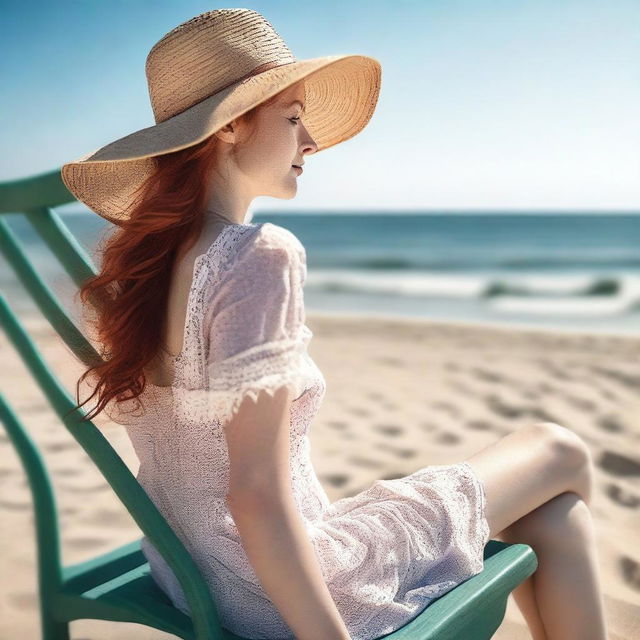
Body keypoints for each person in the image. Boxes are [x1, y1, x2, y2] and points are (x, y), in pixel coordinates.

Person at [62, 9, 608, 640]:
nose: (311, 142)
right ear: (231, 127)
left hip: (193, 577)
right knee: (558, 448)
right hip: (293, 587)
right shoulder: (256, 257)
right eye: (293, 118)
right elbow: (257, 494)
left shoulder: (138, 274)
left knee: (554, 515)